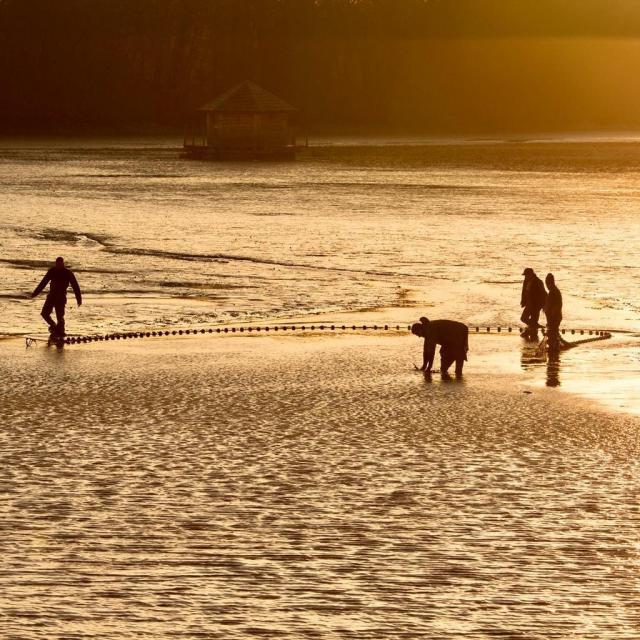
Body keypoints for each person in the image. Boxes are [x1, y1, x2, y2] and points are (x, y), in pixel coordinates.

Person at [31, 257, 82, 336]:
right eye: (57, 263)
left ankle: (61, 331)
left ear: (63, 264)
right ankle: (54, 326)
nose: (58, 265)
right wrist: (35, 293)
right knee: (44, 313)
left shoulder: (67, 273)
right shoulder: (52, 271)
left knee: (60, 317)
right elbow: (43, 283)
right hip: (51, 296)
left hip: (61, 297)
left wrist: (79, 299)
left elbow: (75, 286)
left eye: (60, 264)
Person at [520, 267, 546, 338]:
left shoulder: (538, 282)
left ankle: (531, 332)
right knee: (523, 318)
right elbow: (524, 292)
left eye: (526, 275)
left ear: (531, 274)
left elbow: (543, 293)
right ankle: (533, 326)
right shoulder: (526, 281)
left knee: (531, 319)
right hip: (529, 304)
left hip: (536, 305)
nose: (525, 276)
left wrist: (544, 305)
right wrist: (523, 301)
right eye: (525, 275)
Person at [544, 272, 566, 348]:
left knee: (552, 334)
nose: (546, 286)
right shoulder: (553, 291)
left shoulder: (554, 292)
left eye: (547, 283)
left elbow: (557, 306)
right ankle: (554, 348)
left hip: (554, 318)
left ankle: (554, 349)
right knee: (553, 334)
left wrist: (549, 311)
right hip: (554, 317)